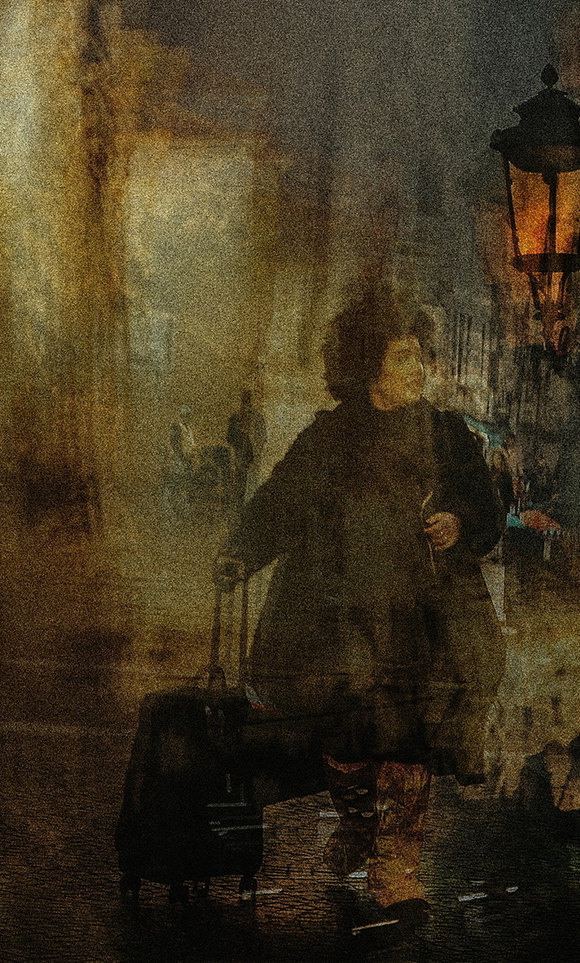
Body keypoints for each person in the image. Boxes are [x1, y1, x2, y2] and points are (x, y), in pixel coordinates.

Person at [216, 282, 503, 924]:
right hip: (339, 613)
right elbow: (280, 502)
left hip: (422, 613)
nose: (418, 367)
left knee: (409, 736)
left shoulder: (448, 435)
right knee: (348, 734)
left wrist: (458, 522)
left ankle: (396, 865)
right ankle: (357, 824)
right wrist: (238, 555)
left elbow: (487, 509)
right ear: (369, 365)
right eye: (402, 356)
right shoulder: (331, 436)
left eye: (419, 354)